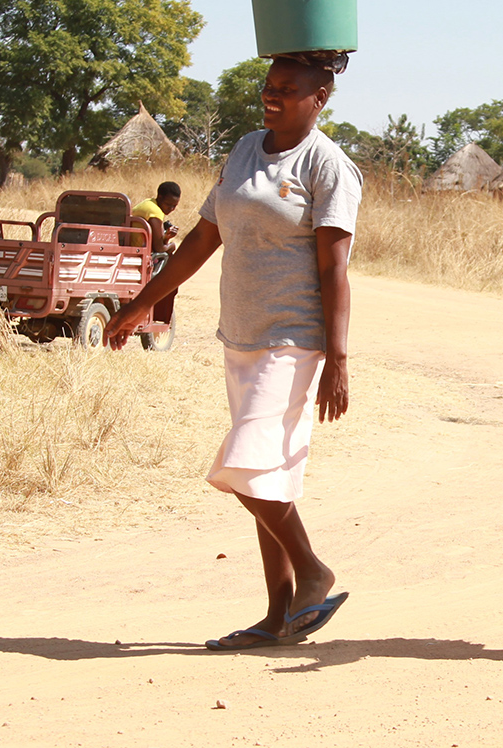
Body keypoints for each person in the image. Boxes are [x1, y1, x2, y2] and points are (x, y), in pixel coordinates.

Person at [106, 56, 362, 651]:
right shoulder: (247, 148)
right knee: (268, 477)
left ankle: (314, 573)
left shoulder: (328, 166)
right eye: (268, 88)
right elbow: (203, 237)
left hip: (292, 339)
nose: (272, 97)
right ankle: (278, 615)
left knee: (244, 465)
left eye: (287, 90)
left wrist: (339, 360)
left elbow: (335, 268)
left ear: (320, 96)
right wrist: (144, 303)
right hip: (241, 338)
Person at [131, 181, 182, 254]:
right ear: (160, 197)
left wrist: (166, 237)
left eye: (174, 206)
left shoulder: (147, 202)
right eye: (168, 204)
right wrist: (172, 246)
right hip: (139, 252)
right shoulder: (155, 212)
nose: (171, 209)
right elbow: (159, 248)